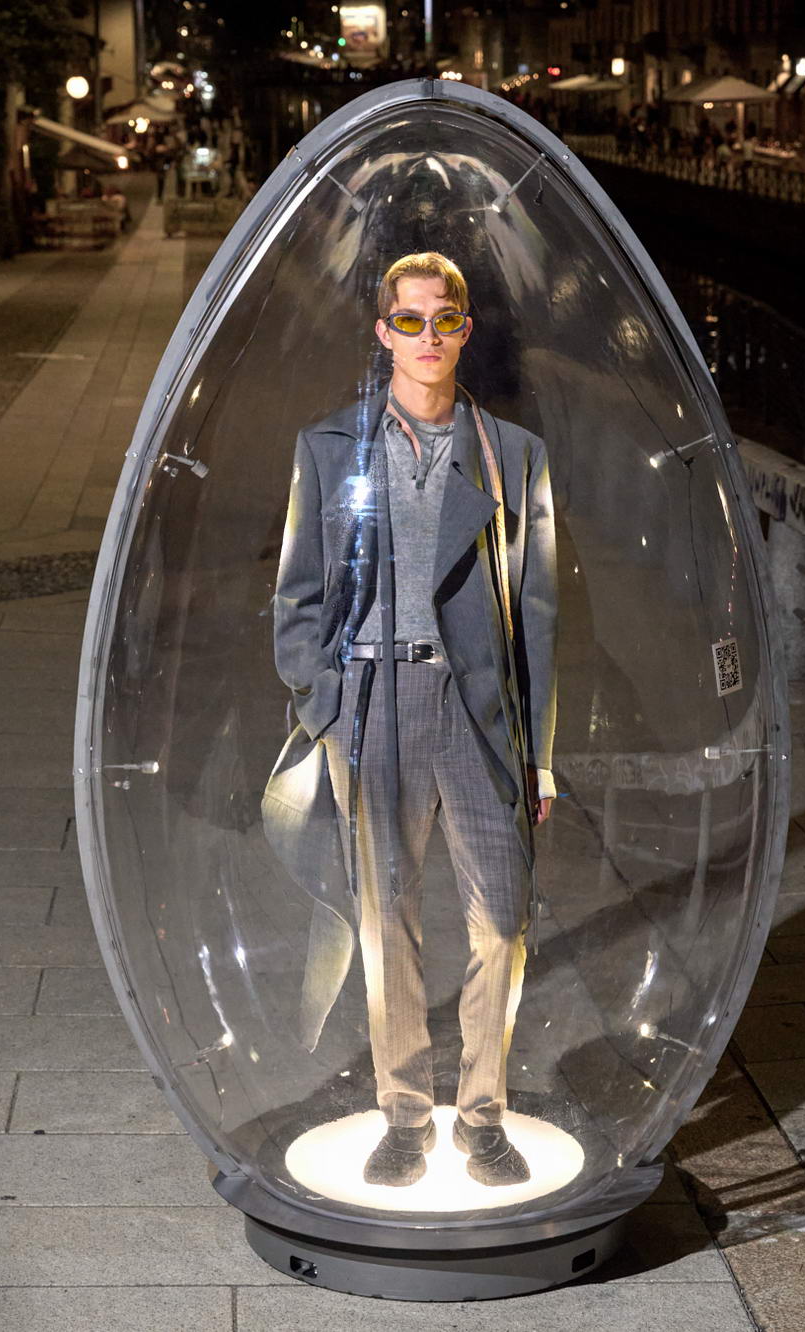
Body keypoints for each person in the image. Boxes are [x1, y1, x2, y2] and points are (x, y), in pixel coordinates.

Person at [272, 252, 558, 1189]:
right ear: (382, 331)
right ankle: (403, 1115)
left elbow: (538, 614)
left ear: (465, 331)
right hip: (372, 706)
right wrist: (325, 703)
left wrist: (539, 757)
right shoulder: (330, 447)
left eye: (444, 320)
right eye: (409, 320)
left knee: (502, 922)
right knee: (384, 921)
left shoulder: (512, 454)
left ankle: (482, 1115)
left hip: (477, 713)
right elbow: (297, 595)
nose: (427, 336)